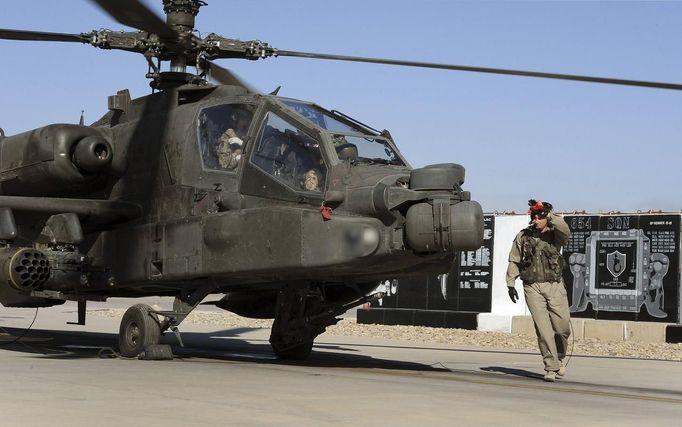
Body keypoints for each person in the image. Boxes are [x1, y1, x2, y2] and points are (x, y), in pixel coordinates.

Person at [506, 199, 571, 382]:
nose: (535, 219)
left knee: (562, 328)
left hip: (554, 286)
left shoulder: (555, 234)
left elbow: (565, 231)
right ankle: (550, 366)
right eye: (533, 216)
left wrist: (549, 214)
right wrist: (510, 283)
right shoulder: (523, 236)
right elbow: (514, 259)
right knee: (543, 330)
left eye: (539, 216)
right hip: (532, 287)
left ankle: (558, 357)